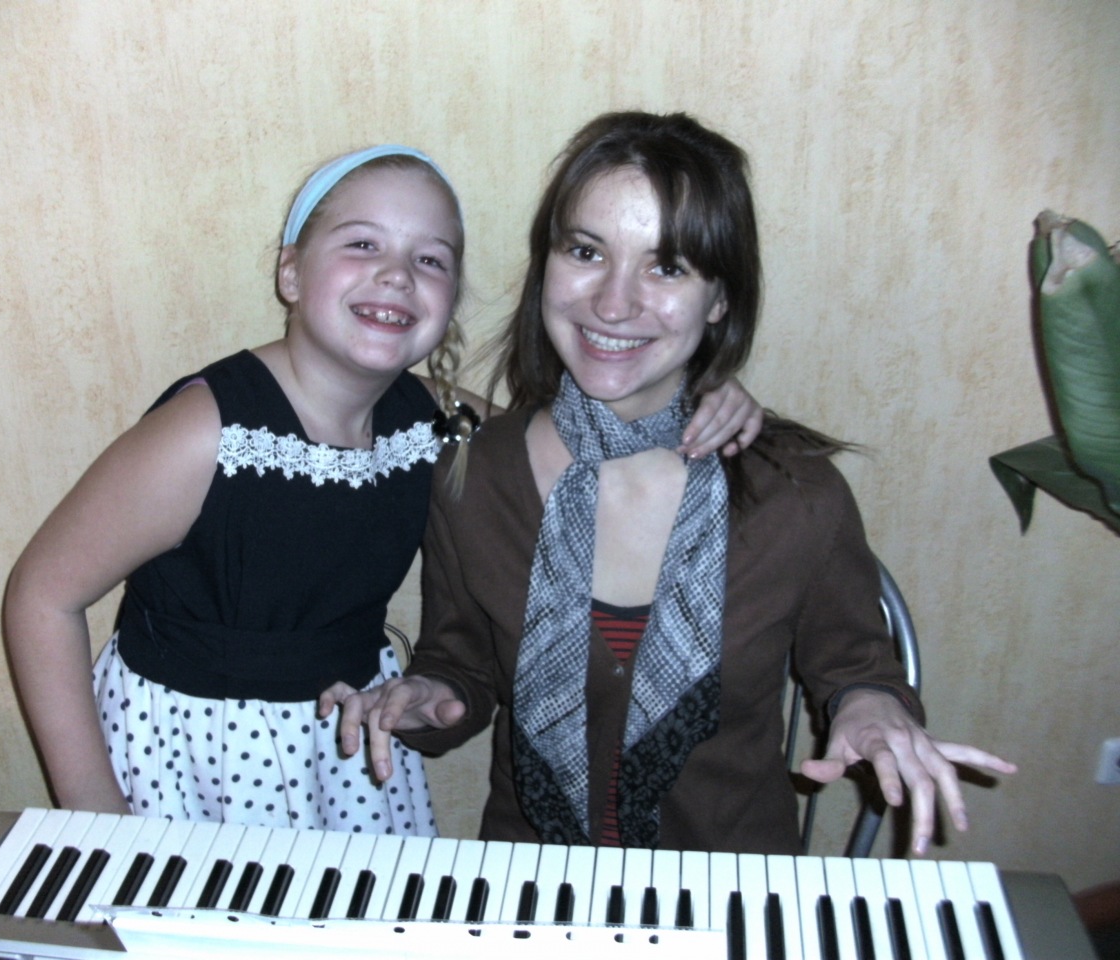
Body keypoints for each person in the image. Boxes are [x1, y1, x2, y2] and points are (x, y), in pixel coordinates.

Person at [3, 143, 762, 834]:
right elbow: (42, 597)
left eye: (431, 260)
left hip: (341, 758)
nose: (397, 275)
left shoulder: (436, 420)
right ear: (290, 272)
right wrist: (95, 818)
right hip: (192, 762)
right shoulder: (207, 434)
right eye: (362, 244)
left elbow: (579, 436)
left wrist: (699, 396)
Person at [325, 113, 1016, 855]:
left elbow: (855, 665)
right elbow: (460, 659)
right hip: (536, 878)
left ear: (719, 299)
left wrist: (873, 710)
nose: (613, 303)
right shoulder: (477, 473)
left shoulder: (793, 493)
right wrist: (428, 697)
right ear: (546, 266)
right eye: (586, 251)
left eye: (667, 267)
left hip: (733, 884)